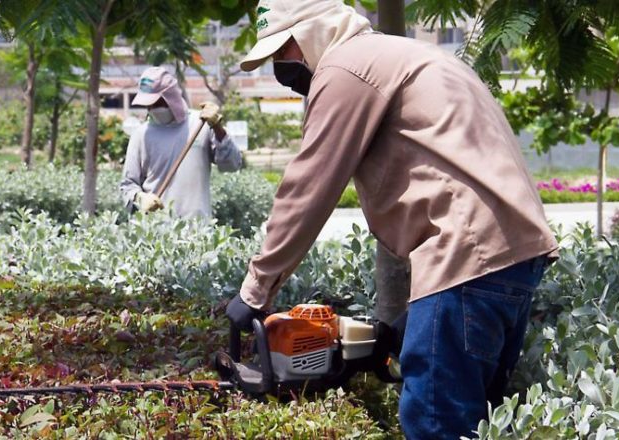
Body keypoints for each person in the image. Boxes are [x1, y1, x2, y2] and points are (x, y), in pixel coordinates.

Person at [223, 1, 559, 438]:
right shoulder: (407, 54)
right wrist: (408, 322)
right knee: (481, 423)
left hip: (464, 256)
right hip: (512, 256)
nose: (280, 68)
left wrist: (255, 290)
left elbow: (309, 186)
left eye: (282, 50)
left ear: (312, 33)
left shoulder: (344, 67)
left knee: (434, 425)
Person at [120, 67, 243, 218]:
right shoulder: (140, 135)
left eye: (156, 103)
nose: (151, 108)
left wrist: (218, 128)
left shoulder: (201, 124)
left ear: (170, 97)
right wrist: (140, 197)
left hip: (197, 230)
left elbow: (232, 165)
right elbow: (128, 185)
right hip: (156, 231)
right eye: (148, 104)